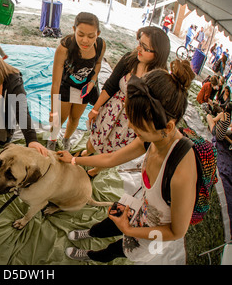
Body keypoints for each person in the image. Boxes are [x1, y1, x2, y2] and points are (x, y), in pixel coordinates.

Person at [58, 60, 197, 264]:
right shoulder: (154, 137)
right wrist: (75, 160)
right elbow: (112, 157)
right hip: (138, 204)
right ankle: (91, 233)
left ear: (167, 127)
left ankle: (91, 256)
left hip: (153, 230)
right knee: (107, 224)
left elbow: (176, 231)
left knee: (116, 250)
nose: (131, 127)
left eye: (138, 126)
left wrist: (129, 230)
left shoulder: (182, 173)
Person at [83, 26, 170, 177]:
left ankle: (96, 170)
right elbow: (110, 85)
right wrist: (95, 109)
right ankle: (86, 154)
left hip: (130, 123)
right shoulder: (129, 59)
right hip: (110, 111)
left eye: (145, 47)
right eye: (139, 43)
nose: (138, 48)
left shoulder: (160, 79)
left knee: (113, 150)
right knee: (94, 139)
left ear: (158, 54)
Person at [47, 12, 106, 152]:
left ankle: (66, 139)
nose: (85, 40)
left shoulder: (100, 45)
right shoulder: (64, 48)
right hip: (66, 85)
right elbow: (55, 83)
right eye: (81, 35)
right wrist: (53, 110)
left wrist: (92, 81)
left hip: (84, 88)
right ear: (74, 30)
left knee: (75, 118)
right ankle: (52, 140)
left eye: (91, 36)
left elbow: (98, 64)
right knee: (60, 118)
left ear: (98, 33)